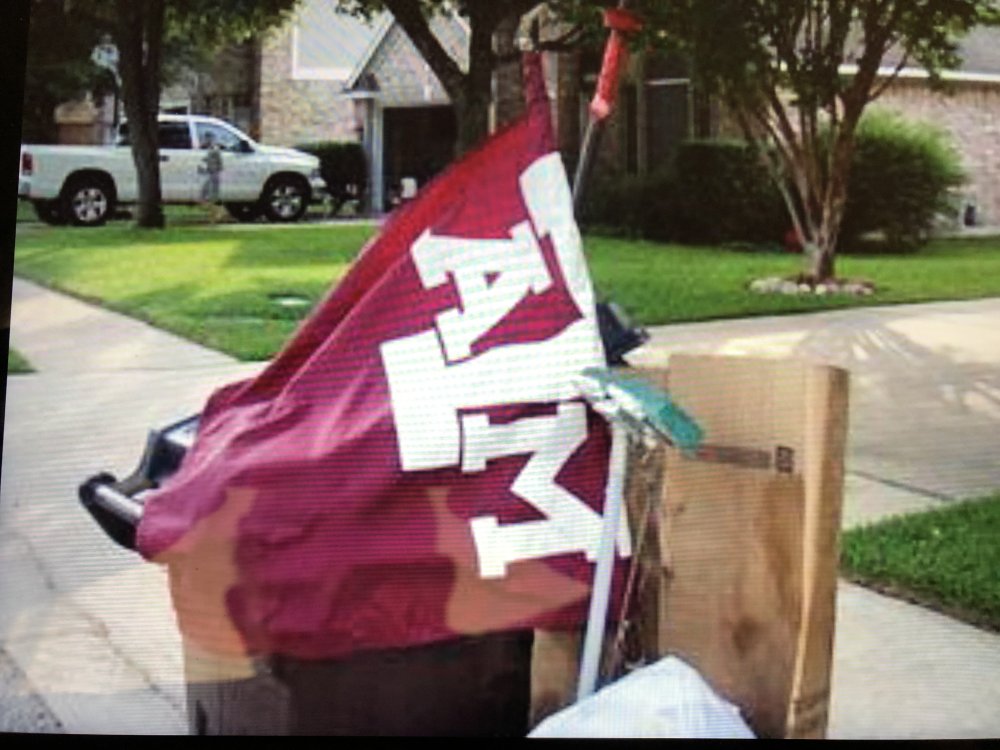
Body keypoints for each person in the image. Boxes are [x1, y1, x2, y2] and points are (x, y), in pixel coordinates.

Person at [199, 131, 224, 221]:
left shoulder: (215, 149)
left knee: (213, 194)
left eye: (208, 138)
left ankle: (216, 214)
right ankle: (213, 212)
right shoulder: (209, 149)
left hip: (214, 173)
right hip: (210, 173)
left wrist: (216, 171)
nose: (206, 140)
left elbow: (220, 163)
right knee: (206, 192)